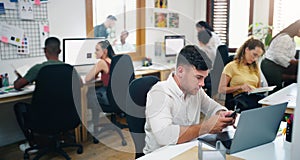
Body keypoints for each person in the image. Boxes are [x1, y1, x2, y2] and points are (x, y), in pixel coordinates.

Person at [143, 45, 235, 154]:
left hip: (189, 151)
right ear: (180, 71)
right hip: (162, 155)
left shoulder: (195, 90)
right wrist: (205, 127)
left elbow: (213, 107)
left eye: (204, 78)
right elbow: (165, 136)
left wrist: (224, 114)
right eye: (198, 77)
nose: (202, 84)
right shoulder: (159, 94)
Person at [13, 37, 63, 152]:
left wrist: (20, 77)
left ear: (45, 50)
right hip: (65, 116)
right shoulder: (68, 68)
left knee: (19, 106)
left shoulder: (38, 68)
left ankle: (32, 143)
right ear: (60, 51)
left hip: (43, 117)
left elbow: (17, 86)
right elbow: (80, 83)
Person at [218, 38, 265, 111]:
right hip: (240, 99)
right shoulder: (231, 66)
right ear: (246, 49)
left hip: (254, 97)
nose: (255, 59)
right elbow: (221, 89)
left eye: (258, 57)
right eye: (254, 54)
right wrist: (240, 87)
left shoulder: (255, 69)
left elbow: (258, 88)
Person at [261, 20, 300, 93]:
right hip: (270, 66)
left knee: (279, 90)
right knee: (275, 91)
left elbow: (287, 54)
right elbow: (278, 56)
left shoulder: (290, 39)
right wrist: (293, 61)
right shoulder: (285, 38)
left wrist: (295, 61)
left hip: (275, 65)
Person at [85, 40, 115, 132]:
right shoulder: (114, 60)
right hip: (116, 97)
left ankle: (95, 126)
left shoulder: (102, 62)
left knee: (89, 94)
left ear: (105, 51)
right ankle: (95, 125)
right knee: (94, 92)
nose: (95, 52)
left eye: (97, 50)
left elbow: (87, 79)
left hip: (108, 97)